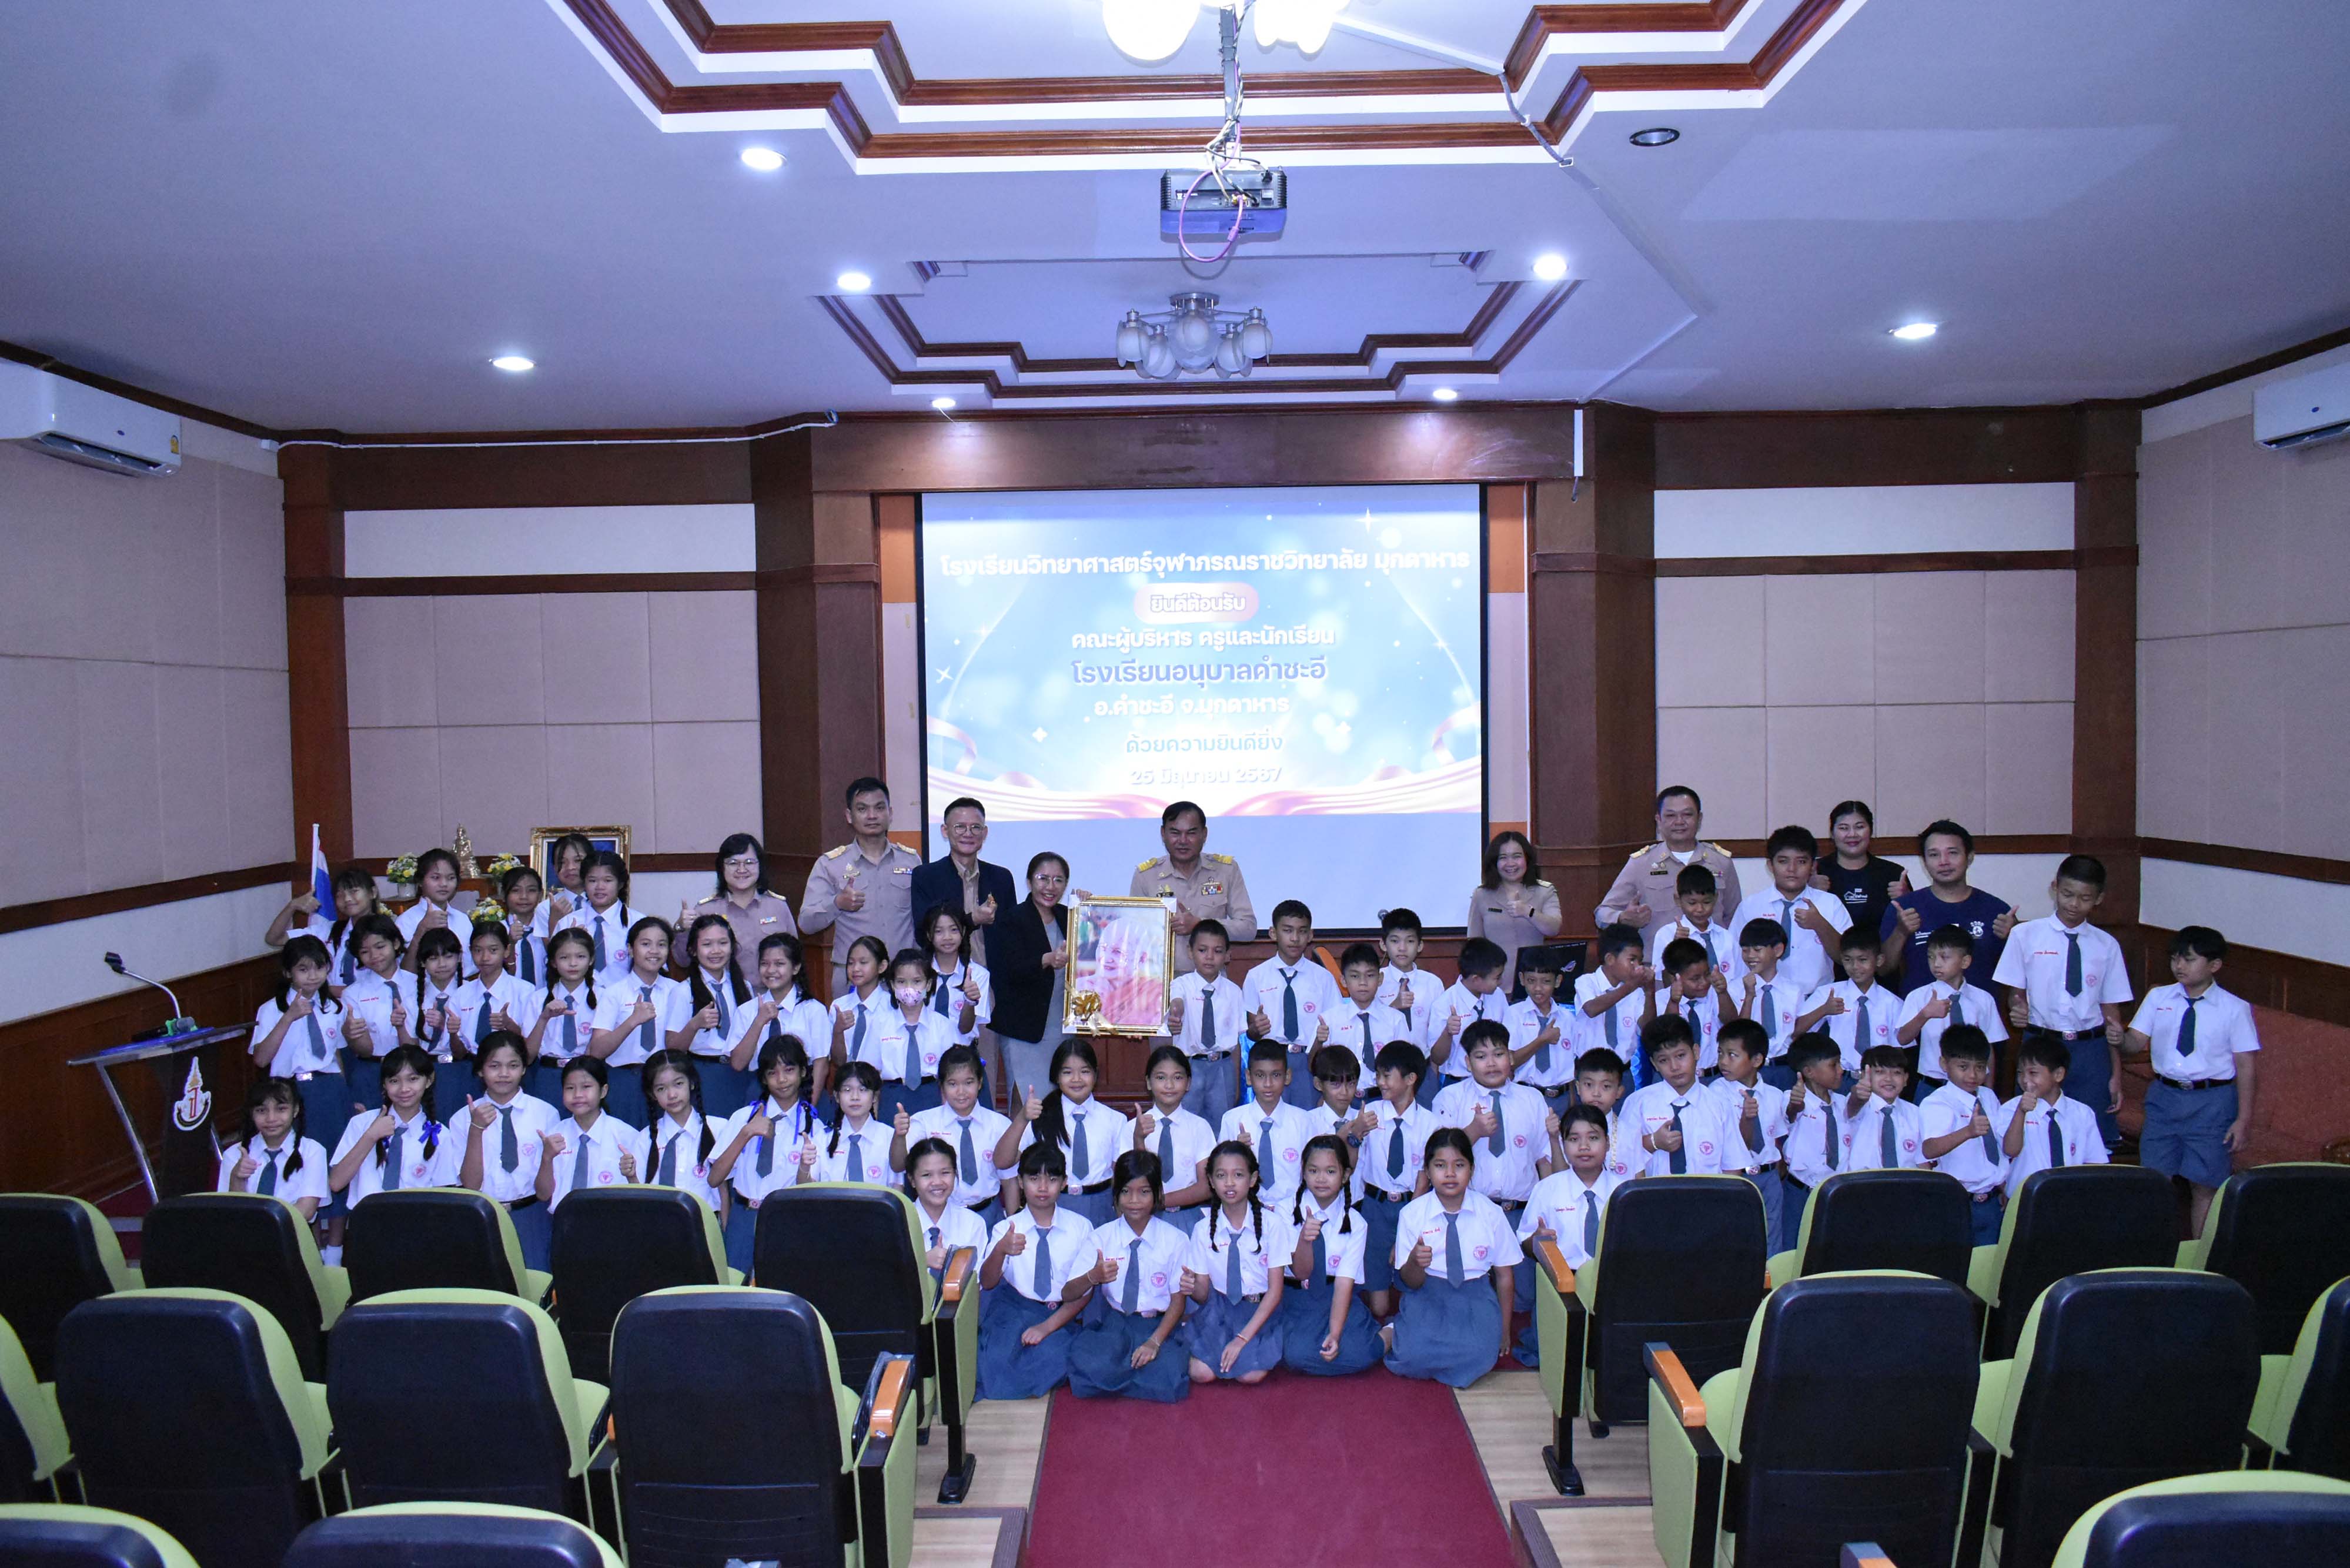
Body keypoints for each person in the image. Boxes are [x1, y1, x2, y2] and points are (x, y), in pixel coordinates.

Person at [2126, 925, 2260, 1236]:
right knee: (2154, 1180)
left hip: (2212, 1102)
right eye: (2175, 958)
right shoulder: (2159, 997)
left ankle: (2198, 1254)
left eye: (2188, 960)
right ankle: (2152, 1248)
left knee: (2205, 1184)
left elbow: (2247, 1067)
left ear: (2214, 965)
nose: (2179, 966)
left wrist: (2243, 1120)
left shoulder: (2234, 1009)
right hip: (2164, 1097)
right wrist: (2119, 1039)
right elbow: (2135, 1042)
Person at [1992, 855, 2131, 1151]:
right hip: (2041, 1043)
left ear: (2099, 899)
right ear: (2054, 888)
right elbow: (2015, 994)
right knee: (2031, 1133)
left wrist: (2116, 1074)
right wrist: (2017, 1007)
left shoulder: (2107, 945)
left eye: (2085, 898)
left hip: (2091, 1050)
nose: (2074, 904)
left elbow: (2112, 1016)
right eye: (2067, 894)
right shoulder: (2025, 935)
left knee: (2091, 1138)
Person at [1382, 1128, 1520, 1388]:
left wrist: (1504, 1330)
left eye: (1459, 1165)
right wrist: (1415, 1262)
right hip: (1429, 1294)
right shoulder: (1412, 1214)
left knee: (1481, 1359)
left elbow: (1504, 1277)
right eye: (1440, 1165)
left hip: (1475, 1295)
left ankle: (1423, 1337)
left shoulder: (1491, 1213)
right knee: (1411, 1357)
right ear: (1427, 1170)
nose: (1450, 1174)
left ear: (1472, 1169)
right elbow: (1410, 1282)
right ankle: (1398, 1330)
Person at [1067, 1151, 1192, 1403]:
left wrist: (1154, 1342)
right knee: (1087, 1363)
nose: (1134, 1201)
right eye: (1126, 1192)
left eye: (1144, 1192)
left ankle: (1121, 1377)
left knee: (1171, 1380)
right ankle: (1133, 1376)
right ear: (1115, 1195)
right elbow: (1068, 1293)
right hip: (1117, 1324)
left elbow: (1178, 1303)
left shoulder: (1176, 1240)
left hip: (1158, 1324)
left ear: (1157, 1194)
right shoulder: (1101, 1237)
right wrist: (1092, 1276)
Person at [977, 1143, 1098, 1400]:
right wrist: (1000, 1251)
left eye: (1052, 1179)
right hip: (1014, 1310)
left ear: (1064, 1183)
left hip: (1060, 1314)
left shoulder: (1081, 1228)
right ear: (1020, 1182)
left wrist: (1045, 1328)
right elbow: (987, 1282)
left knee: (1060, 1357)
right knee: (995, 1359)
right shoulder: (1007, 1228)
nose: (1043, 1188)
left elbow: (1084, 1293)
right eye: (1034, 1179)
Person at [1513, 1103, 1619, 1365]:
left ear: (1608, 1143)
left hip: (1610, 1283)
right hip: (1563, 1284)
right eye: (1574, 1139)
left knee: (1608, 1356)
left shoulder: (1623, 1191)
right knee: (1559, 1356)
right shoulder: (1548, 1189)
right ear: (1563, 1144)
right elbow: (1524, 1243)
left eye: (1593, 1138)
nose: (1584, 1147)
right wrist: (1537, 1241)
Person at [711, 1034, 823, 1275]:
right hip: (744, 1216)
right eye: (772, 1073)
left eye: (789, 1070)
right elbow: (714, 1178)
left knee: (781, 1286)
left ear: (803, 1072)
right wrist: (746, 1134)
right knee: (735, 1289)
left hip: (786, 1219)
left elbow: (812, 1190)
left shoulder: (814, 1126)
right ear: (763, 1078)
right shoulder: (743, 1117)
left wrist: (804, 1166)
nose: (781, 1080)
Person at [801, 777, 922, 995]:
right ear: (849, 816)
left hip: (903, 976)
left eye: (879, 808)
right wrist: (837, 903)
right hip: (854, 978)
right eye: (862, 809)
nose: (872, 816)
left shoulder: (911, 861)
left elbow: (921, 920)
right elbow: (807, 923)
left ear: (890, 813)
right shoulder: (831, 864)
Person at [1180, 1141, 1286, 1385]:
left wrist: (1242, 1339)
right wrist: (1191, 1286)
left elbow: (1276, 1291)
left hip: (1259, 1309)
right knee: (1201, 1373)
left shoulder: (1272, 1225)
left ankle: (1252, 1344)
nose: (1229, 1183)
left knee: (1251, 1376)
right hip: (1219, 1309)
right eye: (1221, 1176)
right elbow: (1202, 1296)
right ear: (1211, 1181)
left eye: (1238, 1175)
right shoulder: (1202, 1229)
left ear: (1253, 1179)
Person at [455, 1032, 559, 1269]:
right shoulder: (462, 1119)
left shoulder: (546, 1113)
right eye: (494, 1066)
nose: (504, 1073)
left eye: (513, 1066)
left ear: (524, 1069)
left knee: (535, 1279)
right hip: (482, 1214)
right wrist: (476, 1130)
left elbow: (547, 1188)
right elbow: (470, 1185)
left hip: (531, 1213)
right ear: (480, 1071)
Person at [1279, 1135, 1380, 1375]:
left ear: (1345, 1176)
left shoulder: (1356, 1223)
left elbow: (1344, 1283)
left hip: (1336, 1294)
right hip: (1297, 1295)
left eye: (1331, 1171)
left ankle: (1387, 1334)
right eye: (1313, 1171)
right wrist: (1305, 1240)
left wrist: (1335, 1333)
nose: (1321, 1179)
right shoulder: (1284, 1211)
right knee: (1295, 1355)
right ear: (1303, 1172)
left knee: (1361, 1353)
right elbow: (1300, 1272)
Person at [250, 935, 350, 1175]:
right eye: (303, 969)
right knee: (300, 1161)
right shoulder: (270, 1009)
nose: (313, 976)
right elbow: (261, 1059)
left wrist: (344, 1091)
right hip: (290, 1090)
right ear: (288, 973)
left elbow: (336, 1054)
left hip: (330, 1087)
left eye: (320, 967)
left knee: (337, 1156)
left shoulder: (335, 1007)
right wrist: (289, 1018)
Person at [1002, 1039, 1130, 1226]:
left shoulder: (1115, 1120)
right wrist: (1022, 1118)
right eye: (1067, 1072)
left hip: (1100, 1206)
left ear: (1096, 1074)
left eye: (1085, 1071)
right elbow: (1003, 1162)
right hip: (1055, 1206)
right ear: (1056, 1076)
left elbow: (1122, 1178)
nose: (1077, 1079)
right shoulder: (1041, 1117)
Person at [1880, 820, 2015, 994]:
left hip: (1980, 1011)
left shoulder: (1996, 910)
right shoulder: (1904, 908)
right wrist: (1901, 932)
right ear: (1924, 861)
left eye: (1952, 853)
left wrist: (2013, 937)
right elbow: (1883, 969)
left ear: (1970, 857)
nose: (1944, 862)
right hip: (1922, 1010)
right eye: (1934, 855)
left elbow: (2019, 974)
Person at [1432, 1021, 1551, 1210]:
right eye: (1481, 1057)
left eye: (1499, 1054)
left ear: (1510, 1057)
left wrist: (1547, 1209)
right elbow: (1439, 1156)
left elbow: (1545, 1160)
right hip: (1470, 1211)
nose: (1491, 1064)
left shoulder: (1532, 1098)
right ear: (1468, 1063)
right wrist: (1474, 1131)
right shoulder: (1450, 1098)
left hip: (1523, 1210)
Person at [1595, 787, 1744, 938]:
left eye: (1687, 815)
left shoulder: (1721, 862)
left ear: (1699, 819)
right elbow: (1602, 913)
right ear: (1659, 821)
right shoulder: (1641, 864)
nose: (1679, 822)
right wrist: (1623, 918)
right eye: (1671, 816)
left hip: (1710, 953)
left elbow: (1736, 918)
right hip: (1660, 953)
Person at [1358, 1041, 1438, 1318]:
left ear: (1411, 1079)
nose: (1380, 1082)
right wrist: (1356, 1132)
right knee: (1379, 1306)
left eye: (1386, 1076)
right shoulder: (1370, 1114)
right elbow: (1349, 1158)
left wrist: (1409, 1225)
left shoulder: (1430, 1124)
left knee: (1410, 1291)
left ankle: (1404, 1330)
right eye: (1378, 1075)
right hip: (1375, 1207)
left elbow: (1423, 1181)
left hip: (1411, 1206)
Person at [1129, 801, 1258, 971]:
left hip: (1211, 980)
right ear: (1163, 834)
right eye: (1175, 833)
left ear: (1204, 835)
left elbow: (1248, 929)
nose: (1183, 841)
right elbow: (1135, 936)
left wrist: (1200, 924)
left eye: (1191, 833)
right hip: (1163, 980)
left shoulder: (1226, 871)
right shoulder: (1146, 876)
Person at [989, 852, 1072, 1109]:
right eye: (1043, 878)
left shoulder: (1070, 916)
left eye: (1058, 880)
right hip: (1023, 1029)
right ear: (1029, 882)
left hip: (1062, 1027)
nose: (1050, 887)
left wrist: (1089, 908)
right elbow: (1006, 970)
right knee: (1026, 1103)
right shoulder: (1011, 919)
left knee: (1057, 1105)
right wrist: (1046, 960)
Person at [1241, 899, 1341, 1108]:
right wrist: (1256, 1029)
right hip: (1271, 1063)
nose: (1295, 938)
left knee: (1308, 1120)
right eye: (1287, 931)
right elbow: (1251, 1033)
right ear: (1273, 933)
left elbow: (1334, 1027)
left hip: (1310, 1060)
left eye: (1302, 931)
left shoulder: (1323, 978)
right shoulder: (1256, 977)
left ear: (1310, 935)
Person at [1730, 826, 1850, 998]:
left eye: (1801, 862)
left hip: (1817, 1000)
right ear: (1770, 865)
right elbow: (1735, 957)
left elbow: (1846, 958)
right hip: (1764, 999)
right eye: (1783, 861)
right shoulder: (1751, 907)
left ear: (1813, 866)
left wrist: (1820, 924)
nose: (1792, 869)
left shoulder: (1830, 904)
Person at [898, 1045, 1014, 1220]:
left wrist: (1012, 1223)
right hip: (940, 1215)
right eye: (952, 1084)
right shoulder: (923, 1123)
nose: (961, 1092)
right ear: (941, 1086)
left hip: (989, 1214)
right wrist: (899, 1136)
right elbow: (899, 1165)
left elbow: (1010, 1180)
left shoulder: (1000, 1125)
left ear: (980, 1082)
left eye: (969, 1083)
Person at [330, 1046, 457, 1206]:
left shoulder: (440, 1134)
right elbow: (336, 1183)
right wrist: (371, 1136)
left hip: (418, 1217)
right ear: (384, 1084)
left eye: (413, 1079)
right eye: (394, 1081)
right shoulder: (361, 1123)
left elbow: (443, 1197)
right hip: (366, 1217)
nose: (404, 1089)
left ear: (429, 1080)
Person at [1896, 924, 2009, 1099]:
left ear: (1965, 962)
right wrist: (1924, 1015)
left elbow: (1988, 1049)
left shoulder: (1983, 999)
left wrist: (1989, 1092)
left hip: (1973, 1088)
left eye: (1944, 957)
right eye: (1931, 957)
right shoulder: (1919, 996)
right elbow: (1902, 1039)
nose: (1936, 964)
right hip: (1932, 1086)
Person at [1918, 1025, 2008, 1244]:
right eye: (1963, 1067)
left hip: (1991, 1200)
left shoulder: (1988, 1097)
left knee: (1987, 1261)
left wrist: (2004, 1186)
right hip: (1957, 1201)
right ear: (1944, 1064)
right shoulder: (1937, 1102)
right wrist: (1968, 1132)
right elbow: (1929, 1149)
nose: (1972, 1075)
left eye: (1980, 1067)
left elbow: (1996, 1148)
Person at [587, 915, 680, 1128]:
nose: (654, 951)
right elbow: (597, 1051)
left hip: (666, 1082)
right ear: (630, 949)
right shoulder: (614, 993)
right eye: (646, 944)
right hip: (624, 1081)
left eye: (661, 945)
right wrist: (632, 1021)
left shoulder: (677, 991)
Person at [910, 797, 1017, 970]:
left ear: (985, 833)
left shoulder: (1001, 878)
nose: (968, 834)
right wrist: (973, 919)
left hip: (994, 978)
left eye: (976, 827)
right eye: (960, 827)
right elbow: (923, 934)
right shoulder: (926, 876)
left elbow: (1012, 934)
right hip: (944, 977)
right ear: (945, 831)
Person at [1620, 1016, 1735, 1178]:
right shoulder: (1638, 1103)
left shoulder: (1720, 1104)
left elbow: (1733, 1166)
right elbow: (1620, 1160)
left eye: (1681, 1056)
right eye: (1663, 1060)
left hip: (1709, 1192)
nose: (1674, 1067)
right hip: (1653, 1191)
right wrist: (1653, 1142)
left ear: (1696, 1052)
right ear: (1654, 1064)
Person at [1996, 1036, 2108, 1196]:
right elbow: (2011, 1150)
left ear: (2058, 1075)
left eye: (2033, 1073)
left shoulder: (2083, 1114)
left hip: (2070, 1197)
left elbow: (2095, 1163)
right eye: (2020, 1073)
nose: (2025, 1080)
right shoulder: (2011, 1109)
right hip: (2025, 1198)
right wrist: (2021, 1112)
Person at [1708, 1021, 1789, 1244]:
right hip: (1737, 1176)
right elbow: (1734, 1146)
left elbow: (1776, 1139)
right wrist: (1747, 1118)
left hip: (1769, 1176)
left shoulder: (1774, 1095)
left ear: (1756, 1060)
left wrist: (1778, 1171)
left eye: (1732, 1055)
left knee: (1772, 1235)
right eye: (1720, 1053)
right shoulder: (1716, 1093)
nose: (1723, 1061)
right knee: (1736, 1236)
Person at [682, 833, 798, 985]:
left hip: (770, 993)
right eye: (733, 863)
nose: (741, 869)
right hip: (724, 994)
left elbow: (794, 956)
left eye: (749, 862)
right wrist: (682, 929)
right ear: (722, 868)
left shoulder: (778, 906)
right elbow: (683, 961)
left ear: (760, 866)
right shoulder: (705, 910)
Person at [674, 915, 757, 1119]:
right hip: (705, 1074)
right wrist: (695, 1024)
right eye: (707, 944)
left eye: (723, 943)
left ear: (732, 947)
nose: (716, 951)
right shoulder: (683, 991)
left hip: (742, 1073)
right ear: (693, 950)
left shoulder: (744, 987)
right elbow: (673, 1047)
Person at [1217, 1039, 1319, 1206]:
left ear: (1288, 1076)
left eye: (1276, 1075)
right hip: (1246, 1210)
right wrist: (1236, 1153)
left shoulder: (1304, 1121)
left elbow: (1314, 1172)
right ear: (1248, 1077)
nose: (1268, 1084)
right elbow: (1219, 1174)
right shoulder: (1232, 1120)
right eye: (1260, 1075)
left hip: (1293, 1210)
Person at [537, 1057, 645, 1212]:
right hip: (563, 1220)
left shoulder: (626, 1136)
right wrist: (547, 1158)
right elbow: (543, 1195)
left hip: (611, 1220)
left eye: (586, 1087)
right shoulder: (554, 1137)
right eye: (570, 1088)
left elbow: (641, 1197)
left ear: (603, 1091)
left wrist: (631, 1175)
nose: (578, 1095)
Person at [1777, 1033, 1853, 1251]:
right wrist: (1796, 1104)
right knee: (1795, 1250)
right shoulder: (1792, 1098)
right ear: (1809, 1072)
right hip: (1801, 1191)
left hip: (1837, 1191)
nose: (1841, 1070)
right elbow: (1791, 1113)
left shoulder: (1843, 1104)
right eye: (1834, 1065)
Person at [741, 932, 833, 1109]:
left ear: (796, 968)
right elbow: (738, 1064)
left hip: (805, 1090)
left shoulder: (814, 1010)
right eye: (765, 964)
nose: (771, 970)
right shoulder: (747, 1011)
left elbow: (821, 1064)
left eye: (779, 964)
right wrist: (759, 1022)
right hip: (760, 1090)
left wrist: (808, 1108)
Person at [218, 1077, 328, 1224]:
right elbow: (232, 1211)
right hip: (245, 1232)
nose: (271, 1119)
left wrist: (268, 1228)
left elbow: (307, 1210)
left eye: (281, 1109)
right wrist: (237, 1179)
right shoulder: (234, 1154)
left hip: (292, 1232)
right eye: (261, 1111)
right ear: (252, 1113)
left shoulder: (313, 1151)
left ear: (295, 1110)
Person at [1816, 801, 1910, 974]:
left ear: (1871, 831)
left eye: (1859, 827)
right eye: (1844, 828)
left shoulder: (1893, 873)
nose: (1852, 834)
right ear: (1832, 833)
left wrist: (1908, 898)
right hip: (1829, 974)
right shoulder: (1816, 871)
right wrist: (1809, 891)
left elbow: (1910, 925)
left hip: (1882, 972)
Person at [1167, 919, 1245, 1124]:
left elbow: (1237, 1044)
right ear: (1190, 952)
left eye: (1218, 951)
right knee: (1186, 1124)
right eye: (1202, 950)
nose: (1210, 957)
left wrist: (1236, 1082)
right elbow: (1177, 1002)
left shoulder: (1234, 992)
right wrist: (1176, 1012)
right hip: (1190, 1066)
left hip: (1223, 1067)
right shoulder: (1180, 984)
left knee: (1221, 1125)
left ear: (1228, 955)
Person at [336, 913, 414, 1115]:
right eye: (365, 951)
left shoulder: (418, 984)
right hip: (373, 1071)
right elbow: (365, 1050)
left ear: (396, 943)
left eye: (380, 947)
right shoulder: (353, 994)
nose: (374, 956)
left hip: (414, 1069)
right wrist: (352, 1035)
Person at [1129, 1044, 1217, 1224]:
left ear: (1189, 1083)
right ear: (1148, 1082)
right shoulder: (1133, 1128)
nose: (1169, 1085)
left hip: (1189, 1216)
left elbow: (1206, 1186)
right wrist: (1139, 1140)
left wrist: (1158, 1201)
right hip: (1147, 1219)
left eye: (1178, 1078)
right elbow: (1131, 1182)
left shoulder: (1200, 1127)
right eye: (1161, 1078)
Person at [1466, 831, 1563, 993]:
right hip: (1495, 987)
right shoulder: (1481, 894)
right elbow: (1474, 943)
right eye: (1503, 858)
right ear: (1495, 862)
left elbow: (1554, 929)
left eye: (1517, 857)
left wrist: (1528, 912)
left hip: (1535, 986)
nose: (1510, 863)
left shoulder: (1545, 891)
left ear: (1527, 859)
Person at [1796, 928, 1897, 1083]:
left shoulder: (1893, 1003)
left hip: (1880, 1080)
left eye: (1863, 960)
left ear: (1879, 960)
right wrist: (1824, 1010)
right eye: (1848, 960)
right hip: (1840, 1078)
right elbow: (1796, 1031)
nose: (1855, 967)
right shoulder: (1828, 993)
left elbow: (1899, 1051)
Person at [867, 948, 956, 1122]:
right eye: (901, 982)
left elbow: (951, 1074)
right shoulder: (879, 1024)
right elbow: (870, 1071)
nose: (909, 989)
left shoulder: (943, 1026)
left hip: (931, 1095)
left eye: (917, 981)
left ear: (928, 985)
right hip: (892, 1096)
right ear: (892, 985)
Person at [265, 863, 380, 991]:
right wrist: (292, 906)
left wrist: (328, 991)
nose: (347, 899)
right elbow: (274, 939)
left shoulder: (387, 930)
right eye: (340, 895)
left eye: (354, 891)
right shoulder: (329, 930)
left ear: (373, 893)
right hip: (330, 1002)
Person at [639, 1050, 727, 1218]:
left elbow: (724, 1190)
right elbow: (640, 1191)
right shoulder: (645, 1138)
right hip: (657, 1222)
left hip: (706, 1222)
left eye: (678, 1084)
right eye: (661, 1089)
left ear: (692, 1083)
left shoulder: (719, 1128)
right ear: (652, 1094)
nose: (672, 1095)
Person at [518, 928, 597, 1106]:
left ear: (591, 959)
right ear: (553, 962)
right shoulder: (538, 999)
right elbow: (528, 1056)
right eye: (564, 958)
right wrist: (544, 1019)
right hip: (548, 1076)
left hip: (587, 1075)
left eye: (580, 957)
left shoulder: (603, 997)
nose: (573, 964)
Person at [1572, 925, 1655, 1089]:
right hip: (1590, 1074)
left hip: (1623, 1073)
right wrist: (1630, 987)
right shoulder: (1586, 982)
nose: (1638, 966)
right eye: (1632, 960)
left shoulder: (1636, 991)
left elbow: (1647, 1028)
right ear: (1610, 959)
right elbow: (1592, 1009)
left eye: (1640, 961)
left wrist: (1650, 992)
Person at [1429, 937, 1510, 1105]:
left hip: (1494, 1081)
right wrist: (1448, 1032)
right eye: (1497, 978)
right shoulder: (1444, 1004)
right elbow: (1437, 1058)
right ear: (1476, 979)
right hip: (1457, 1083)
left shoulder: (1498, 997)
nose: (1501, 982)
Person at [552, 851, 646, 985]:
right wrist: (570, 942)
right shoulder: (568, 922)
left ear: (620, 884)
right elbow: (553, 970)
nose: (600, 887)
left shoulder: (638, 922)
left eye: (608, 880)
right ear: (584, 883)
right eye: (592, 881)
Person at [1732, 918, 1806, 1089]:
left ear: (1778, 950)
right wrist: (1749, 996)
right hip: (1748, 1069)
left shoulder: (1794, 991)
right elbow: (1738, 1032)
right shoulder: (1735, 989)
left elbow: (1797, 1033)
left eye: (1757, 950)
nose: (1750, 956)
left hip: (1784, 1068)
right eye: (1745, 950)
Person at [409, 927, 472, 1124]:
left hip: (463, 1069)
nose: (442, 964)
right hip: (426, 1072)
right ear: (422, 962)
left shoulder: (471, 992)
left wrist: (446, 1027)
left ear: (460, 957)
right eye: (433, 958)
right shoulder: (412, 996)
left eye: (448, 956)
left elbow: (468, 1046)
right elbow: (411, 1046)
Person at [904, 1136, 991, 1278]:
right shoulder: (899, 1223)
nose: (937, 1182)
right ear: (912, 1180)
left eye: (945, 1173)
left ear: (955, 1174)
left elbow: (973, 1283)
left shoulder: (973, 1224)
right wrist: (922, 1261)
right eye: (927, 1175)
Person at [1323, 944, 1401, 1098]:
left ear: (1380, 979)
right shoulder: (1329, 1019)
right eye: (1355, 976)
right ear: (1343, 981)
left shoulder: (1396, 1020)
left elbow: (1403, 1066)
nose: (1363, 982)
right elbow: (1319, 1066)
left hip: (1383, 1098)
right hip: (1342, 1099)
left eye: (1370, 975)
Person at [1646, 865, 1745, 986]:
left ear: (1715, 898)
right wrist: (1676, 948)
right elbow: (1666, 984)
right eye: (1692, 903)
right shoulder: (1666, 935)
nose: (1700, 909)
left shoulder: (1727, 938)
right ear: (1678, 900)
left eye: (1707, 902)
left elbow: (1739, 980)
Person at [1506, 947, 1576, 1114]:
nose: (1538, 988)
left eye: (1546, 982)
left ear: (1558, 981)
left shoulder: (1568, 1018)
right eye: (1531, 981)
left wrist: (1572, 1105)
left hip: (1562, 1098)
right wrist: (1542, 1040)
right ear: (1522, 979)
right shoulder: (1513, 1014)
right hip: (1525, 1097)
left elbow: (1572, 1067)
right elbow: (1509, 1062)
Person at [917, 903, 992, 1056]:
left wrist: (970, 1001)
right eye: (939, 931)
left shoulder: (978, 975)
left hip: (962, 1055)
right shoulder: (918, 973)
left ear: (963, 932)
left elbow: (965, 1028)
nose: (947, 937)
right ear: (929, 936)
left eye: (954, 930)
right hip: (922, 1051)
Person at [1654, 938, 1730, 1075]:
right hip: (1677, 1079)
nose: (1704, 982)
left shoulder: (1715, 993)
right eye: (1695, 979)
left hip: (1714, 1075)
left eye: (1707, 974)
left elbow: (1731, 1023)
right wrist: (1674, 1002)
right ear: (1674, 978)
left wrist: (1723, 993)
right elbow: (1667, 1037)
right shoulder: (1660, 1000)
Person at [1841, 1045, 1925, 1169]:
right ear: (1865, 1075)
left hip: (1906, 1180)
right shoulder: (1859, 1105)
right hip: (1862, 1180)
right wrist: (1857, 1095)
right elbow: (1853, 1104)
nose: (1889, 1079)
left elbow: (1922, 1162)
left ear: (1906, 1079)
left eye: (1897, 1073)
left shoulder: (1915, 1113)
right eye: (1880, 1072)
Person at [396, 849, 475, 978]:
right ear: (420, 881)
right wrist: (421, 931)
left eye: (451, 878)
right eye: (436, 878)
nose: (444, 884)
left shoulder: (462, 919)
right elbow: (404, 974)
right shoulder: (406, 921)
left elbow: (472, 967)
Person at [1376, 908, 1440, 1052]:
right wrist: (1393, 1007)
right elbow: (1369, 1026)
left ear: (1420, 945)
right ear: (1383, 945)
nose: (1402, 948)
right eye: (1395, 941)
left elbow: (1438, 1031)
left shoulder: (1433, 984)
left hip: (1424, 1059)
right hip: (1384, 1058)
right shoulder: (1375, 980)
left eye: (1410, 941)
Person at [818, 1062, 892, 1185]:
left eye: (863, 1090)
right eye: (847, 1090)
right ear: (837, 1097)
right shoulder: (822, 1138)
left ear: (875, 1096)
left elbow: (897, 1187)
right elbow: (809, 1187)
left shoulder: (889, 1136)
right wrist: (804, 1167)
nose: (855, 1097)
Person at [499, 865, 549, 988]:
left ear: (541, 894)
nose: (524, 897)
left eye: (531, 890)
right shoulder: (497, 932)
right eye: (516, 891)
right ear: (503, 895)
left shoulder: (548, 930)